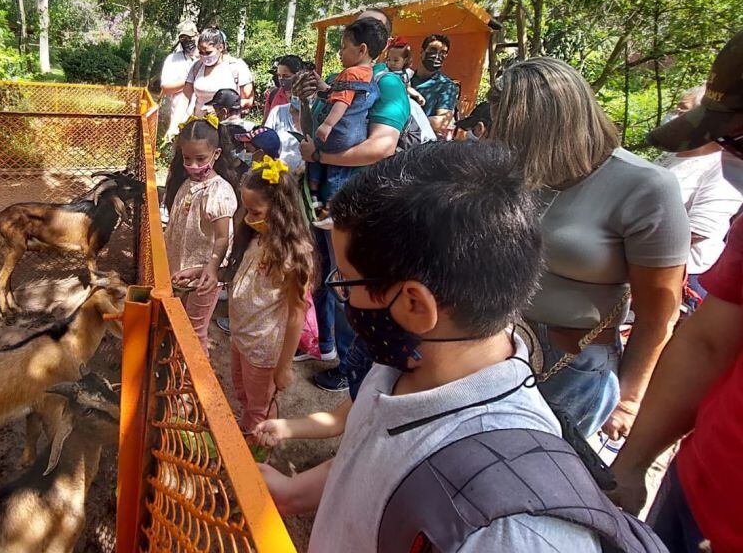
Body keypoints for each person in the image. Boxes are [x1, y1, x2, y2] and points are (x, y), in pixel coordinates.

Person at [257, 141, 624, 551]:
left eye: (346, 281)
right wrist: (292, 494)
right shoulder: (405, 362)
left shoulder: (509, 532)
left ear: (414, 304)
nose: (342, 296)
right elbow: (371, 460)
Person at [489, 57, 690, 440]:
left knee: (540, 466)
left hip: (574, 366)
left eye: (512, 131)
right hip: (499, 347)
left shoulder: (646, 187)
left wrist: (628, 400)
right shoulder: (525, 171)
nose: (502, 142)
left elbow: (658, 315)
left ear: (548, 126)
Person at [610, 29, 743, 553]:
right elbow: (708, 342)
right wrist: (633, 462)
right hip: (698, 484)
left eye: (737, 141)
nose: (728, 156)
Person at [294, 8, 411, 391]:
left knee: (348, 280)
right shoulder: (339, 79)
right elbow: (313, 127)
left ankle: (349, 363)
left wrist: (320, 156)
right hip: (321, 191)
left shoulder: (388, 85)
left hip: (355, 199)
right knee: (320, 269)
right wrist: (307, 100)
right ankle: (324, 344)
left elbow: (382, 146)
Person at [190, 157, 313, 431]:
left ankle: (256, 445)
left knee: (260, 407)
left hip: (263, 350)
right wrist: (202, 272)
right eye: (246, 210)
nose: (248, 218)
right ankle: (249, 428)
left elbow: (296, 314)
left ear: (280, 209)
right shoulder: (256, 236)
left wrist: (284, 367)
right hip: (241, 337)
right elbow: (242, 274)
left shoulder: (294, 255)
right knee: (243, 393)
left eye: (255, 212)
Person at [653, 84, 742, 303]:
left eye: (683, 110)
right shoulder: (675, 153)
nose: (676, 116)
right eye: (676, 110)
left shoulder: (724, 165)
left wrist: (629, 241)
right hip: (646, 264)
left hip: (683, 274)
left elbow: (699, 230)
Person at [165, 115, 240, 349]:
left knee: (195, 333)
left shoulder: (219, 191)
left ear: (216, 154)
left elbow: (223, 237)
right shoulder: (186, 182)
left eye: (200, 159)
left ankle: (195, 370)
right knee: (178, 324)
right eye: (187, 158)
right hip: (179, 270)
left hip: (204, 277)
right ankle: (177, 365)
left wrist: (212, 267)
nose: (193, 166)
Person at [305, 18, 385, 225]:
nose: (340, 52)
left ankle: (328, 206)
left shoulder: (352, 73)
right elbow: (338, 94)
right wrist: (322, 86)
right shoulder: (367, 75)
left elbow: (342, 101)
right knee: (326, 162)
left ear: (362, 49)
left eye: (344, 47)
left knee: (330, 168)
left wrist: (327, 124)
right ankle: (320, 201)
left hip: (341, 133)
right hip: (354, 134)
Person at [183, 28, 255, 116]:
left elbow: (249, 100)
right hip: (199, 122)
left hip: (227, 122)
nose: (204, 56)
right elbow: (185, 98)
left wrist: (220, 108)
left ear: (220, 47)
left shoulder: (237, 67)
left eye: (208, 52)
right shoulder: (197, 66)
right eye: (201, 52)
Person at [410, 34, 459, 138]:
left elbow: (442, 121)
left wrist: (409, 122)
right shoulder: (407, 78)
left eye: (443, 53)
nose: (437, 55)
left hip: (420, 140)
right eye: (433, 50)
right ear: (422, 52)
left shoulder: (446, 86)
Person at [161, 21, 199, 143]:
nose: (187, 41)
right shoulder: (172, 59)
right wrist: (189, 82)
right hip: (179, 120)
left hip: (202, 121)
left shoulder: (206, 58)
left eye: (189, 38)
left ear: (197, 35)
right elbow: (166, 88)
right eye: (183, 38)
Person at [262, 55, 304, 120]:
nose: (281, 79)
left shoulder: (308, 97)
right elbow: (265, 122)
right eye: (279, 76)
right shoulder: (273, 94)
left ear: (299, 75)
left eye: (286, 76)